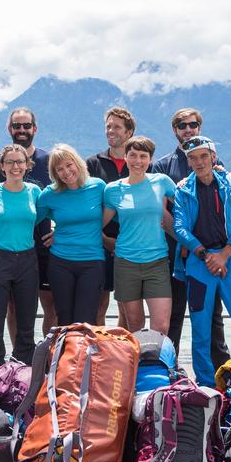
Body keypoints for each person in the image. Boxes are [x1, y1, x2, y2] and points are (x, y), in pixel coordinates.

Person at [172, 136, 231, 387]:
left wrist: (224, 253)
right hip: (199, 265)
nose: (199, 162)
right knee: (200, 330)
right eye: (193, 158)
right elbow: (179, 227)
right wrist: (204, 254)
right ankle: (205, 386)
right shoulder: (183, 189)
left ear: (213, 157)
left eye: (203, 156)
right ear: (188, 161)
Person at [151, 107, 228, 367]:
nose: (188, 130)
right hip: (176, 253)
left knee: (212, 316)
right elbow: (161, 212)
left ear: (199, 127)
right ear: (174, 130)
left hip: (210, 254)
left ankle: (219, 372)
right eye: (182, 126)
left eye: (193, 125)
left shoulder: (217, 164)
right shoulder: (162, 165)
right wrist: (187, 241)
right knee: (173, 315)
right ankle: (167, 371)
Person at [0, 106, 56, 335]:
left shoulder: (49, 161)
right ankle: (16, 363)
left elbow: (64, 199)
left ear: (35, 128)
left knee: (49, 307)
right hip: (4, 251)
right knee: (12, 308)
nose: (21, 130)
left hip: (41, 247)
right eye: (16, 126)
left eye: (26, 125)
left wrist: (60, 231)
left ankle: (44, 359)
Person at [101, 136, 174, 333]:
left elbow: (187, 205)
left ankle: (161, 364)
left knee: (161, 326)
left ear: (150, 159)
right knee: (134, 325)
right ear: (125, 157)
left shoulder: (162, 182)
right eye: (133, 155)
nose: (138, 161)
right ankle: (137, 365)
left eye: (143, 156)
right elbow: (98, 224)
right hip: (126, 262)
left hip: (157, 261)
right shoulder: (113, 189)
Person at [0, 144, 41, 372]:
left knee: (26, 321)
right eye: (10, 162)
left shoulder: (34, 192)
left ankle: (22, 371)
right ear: (1, 166)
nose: (15, 166)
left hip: (28, 259)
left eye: (20, 162)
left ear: (27, 165)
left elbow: (46, 215)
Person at [39, 144, 107, 326]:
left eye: (69, 165)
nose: (66, 172)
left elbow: (116, 216)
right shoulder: (50, 194)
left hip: (92, 262)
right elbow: (30, 220)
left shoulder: (98, 187)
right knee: (64, 318)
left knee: (86, 320)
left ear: (78, 163)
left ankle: (83, 355)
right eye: (59, 169)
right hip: (60, 262)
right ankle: (63, 355)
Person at [85, 106, 134, 325]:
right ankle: (99, 356)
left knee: (127, 308)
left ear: (129, 132)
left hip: (132, 246)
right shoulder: (92, 164)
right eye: (108, 126)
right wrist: (105, 240)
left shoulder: (142, 164)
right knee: (98, 308)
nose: (110, 131)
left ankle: (124, 356)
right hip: (99, 245)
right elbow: (86, 207)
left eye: (116, 127)